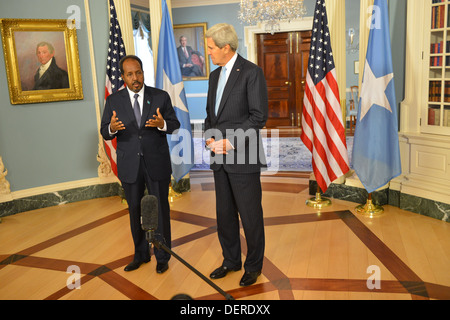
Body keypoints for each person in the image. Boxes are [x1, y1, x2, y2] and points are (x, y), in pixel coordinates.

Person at [100, 55, 180, 273]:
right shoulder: (113, 100)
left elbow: (174, 124)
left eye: (138, 72)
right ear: (123, 76)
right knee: (135, 210)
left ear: (143, 72)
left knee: (160, 209)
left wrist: (163, 124)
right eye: (130, 74)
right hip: (130, 165)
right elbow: (104, 130)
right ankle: (141, 254)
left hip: (157, 162)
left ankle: (162, 256)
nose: (135, 78)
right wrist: (113, 128)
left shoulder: (160, 96)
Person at [204, 23, 268, 287]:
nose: (208, 53)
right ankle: (231, 261)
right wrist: (210, 137)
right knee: (225, 214)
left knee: (250, 216)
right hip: (219, 159)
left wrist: (228, 143)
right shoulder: (213, 76)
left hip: (242, 156)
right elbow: (211, 115)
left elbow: (258, 117)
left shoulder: (252, 73)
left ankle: (253, 265)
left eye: (210, 48)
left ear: (225, 48)